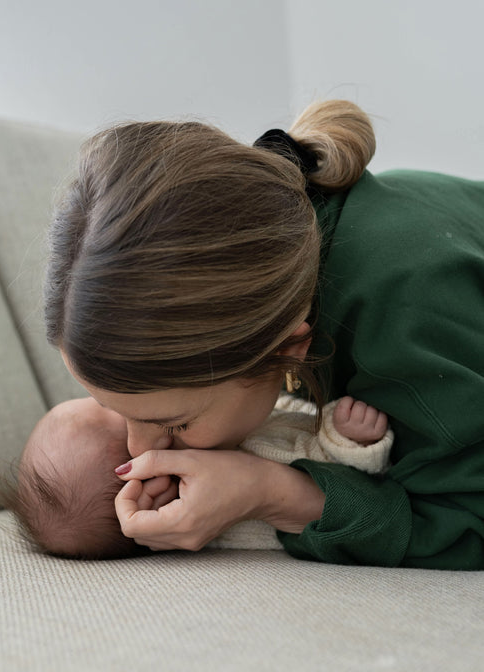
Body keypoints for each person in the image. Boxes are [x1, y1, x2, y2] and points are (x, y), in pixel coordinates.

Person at [41, 99, 483, 569]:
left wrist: (270, 493)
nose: (139, 451)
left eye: (176, 423)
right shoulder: (294, 256)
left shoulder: (405, 310)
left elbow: (470, 520)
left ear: (289, 347)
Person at [3, 394, 392, 559]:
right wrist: (347, 439)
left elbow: (279, 410)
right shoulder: (238, 504)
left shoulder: (221, 440)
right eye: (118, 415)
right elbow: (346, 485)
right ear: (153, 483)